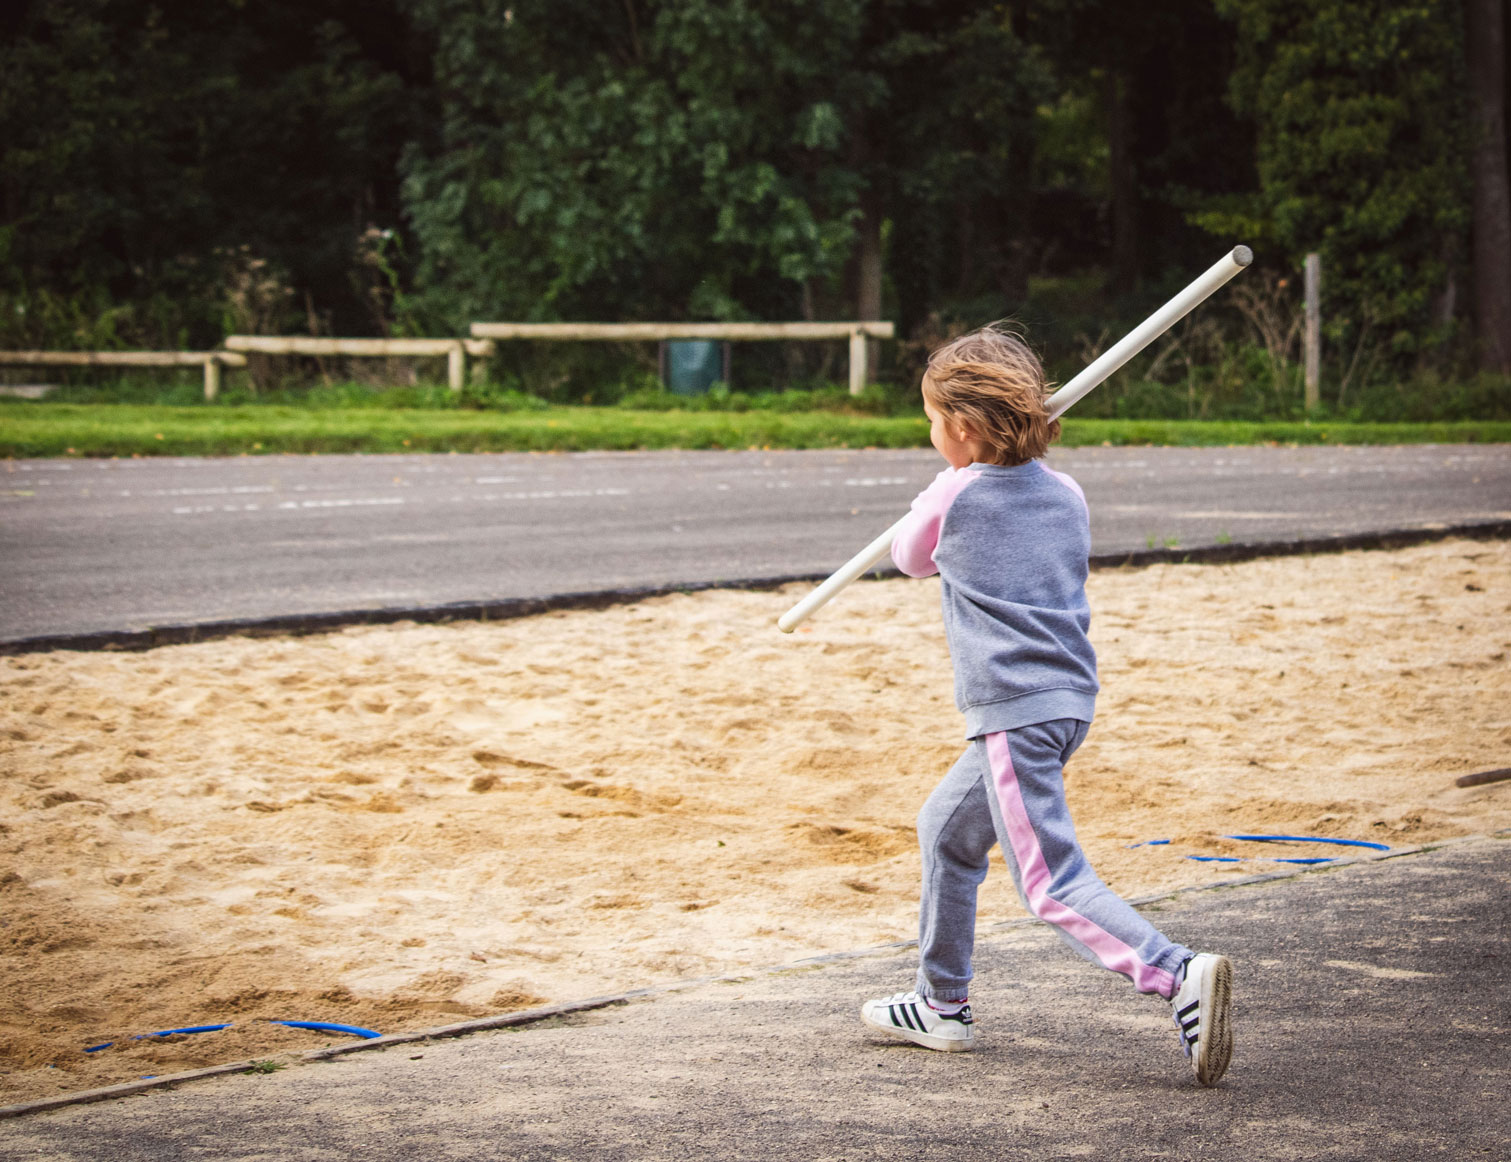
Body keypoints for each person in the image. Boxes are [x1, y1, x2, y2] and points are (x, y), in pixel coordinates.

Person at [859, 323, 1233, 1086]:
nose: (930, 435)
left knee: (1050, 881)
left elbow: (907, 558)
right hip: (1065, 702)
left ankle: (1174, 973)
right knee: (947, 831)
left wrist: (943, 483)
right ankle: (940, 1003)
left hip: (1012, 709)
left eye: (932, 422)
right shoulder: (1064, 493)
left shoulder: (957, 495)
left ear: (960, 430)